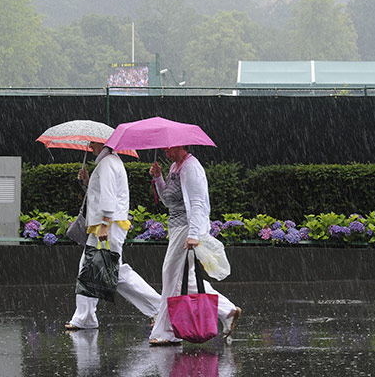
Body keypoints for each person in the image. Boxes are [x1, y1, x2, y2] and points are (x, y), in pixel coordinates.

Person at [148, 145, 242, 346]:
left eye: (169, 147)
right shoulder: (175, 166)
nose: (165, 150)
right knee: (184, 277)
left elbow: (198, 202)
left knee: (171, 276)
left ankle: (167, 331)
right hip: (177, 228)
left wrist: (192, 235)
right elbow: (168, 201)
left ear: (181, 145)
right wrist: (158, 178)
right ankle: (227, 311)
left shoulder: (191, 167)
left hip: (186, 229)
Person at [65, 141, 161, 330]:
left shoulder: (108, 163)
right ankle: (85, 317)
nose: (90, 145)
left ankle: (159, 308)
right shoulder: (109, 162)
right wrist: (88, 181)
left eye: (93, 142)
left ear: (103, 142)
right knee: (93, 268)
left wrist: (104, 224)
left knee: (109, 271)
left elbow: (108, 196)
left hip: (108, 225)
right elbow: (102, 194)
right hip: (109, 224)